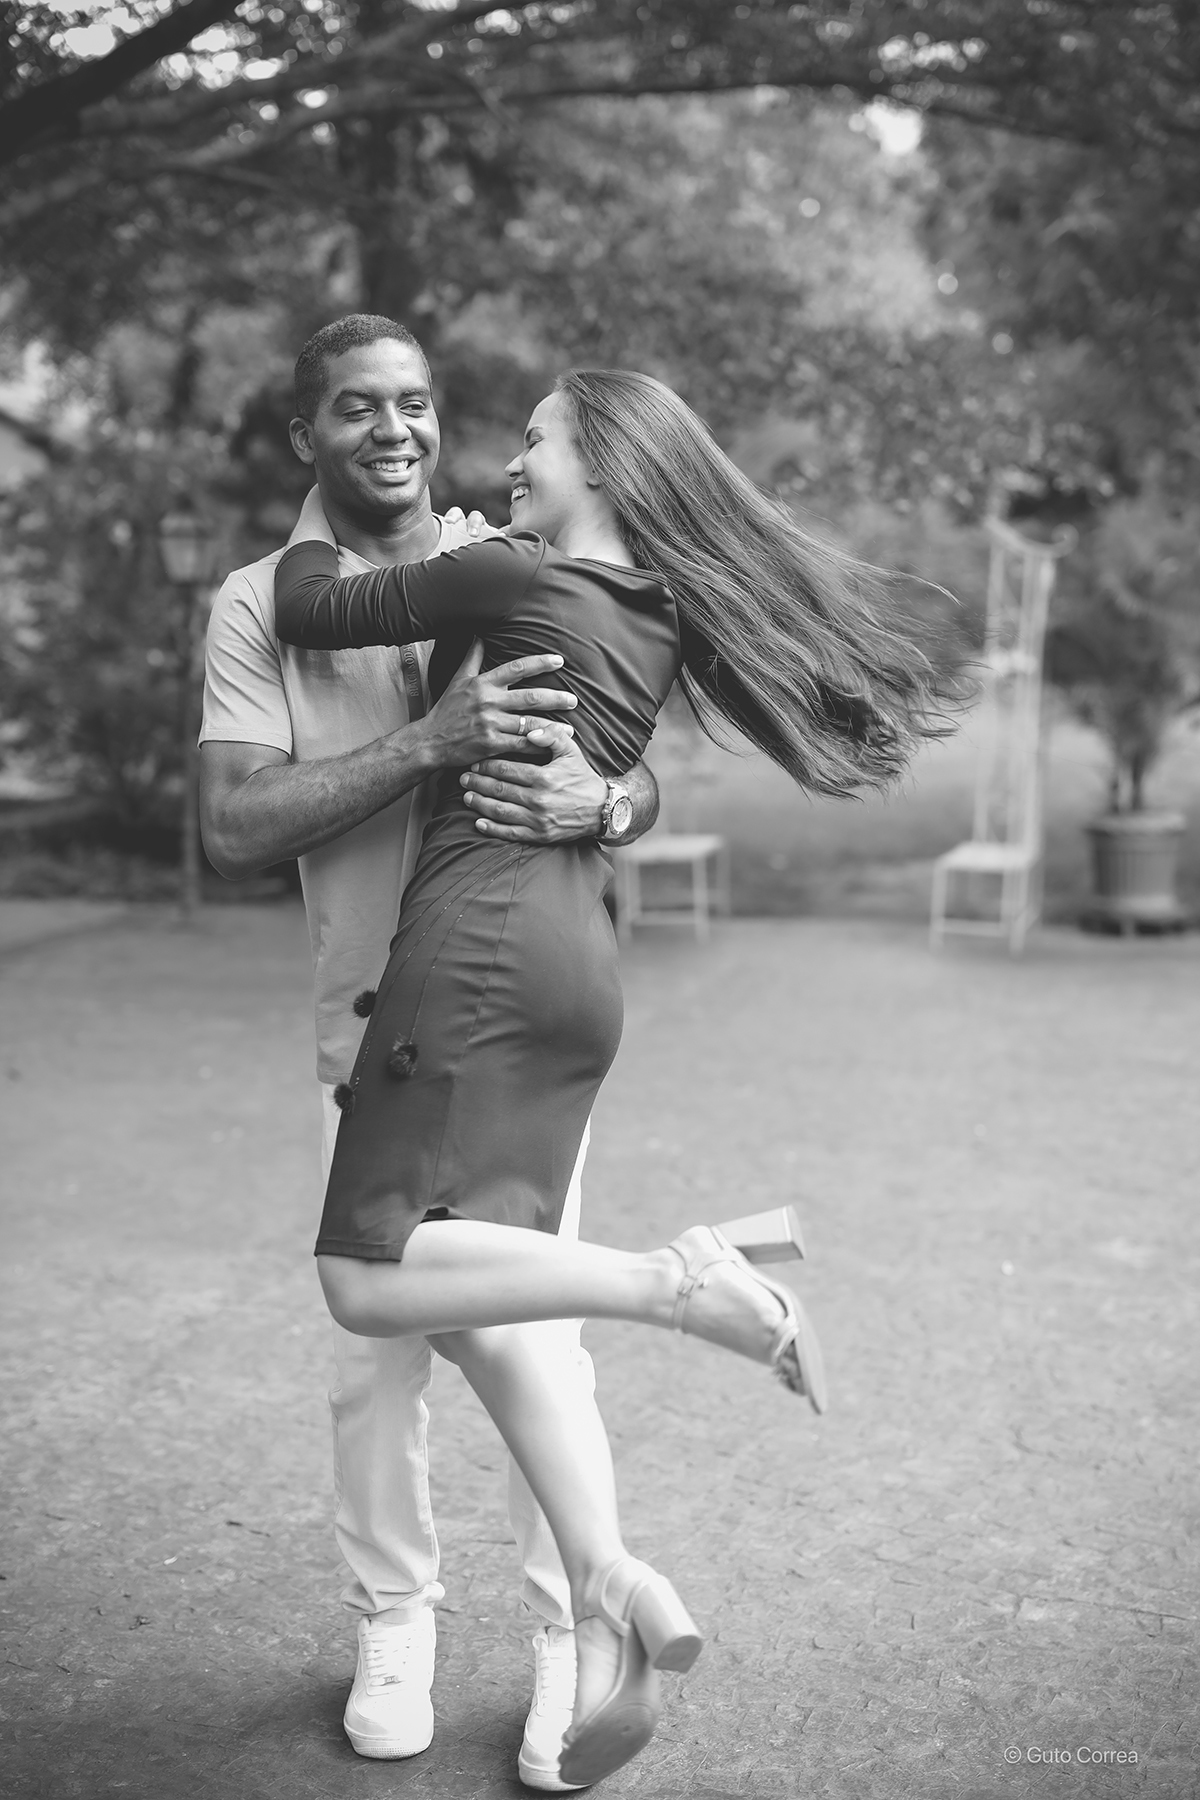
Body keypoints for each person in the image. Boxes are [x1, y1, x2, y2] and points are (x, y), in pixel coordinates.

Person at [272, 365, 956, 1787]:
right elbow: (617, 760)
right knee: (495, 1311)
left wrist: (346, 526)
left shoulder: (509, 573)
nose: (510, 463)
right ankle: (610, 1593)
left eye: (534, 440)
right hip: (572, 963)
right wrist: (613, 789)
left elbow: (313, 606)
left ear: (601, 457)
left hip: (475, 945)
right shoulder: (654, 605)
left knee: (364, 1276)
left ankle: (679, 1282)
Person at [198, 314, 661, 1791]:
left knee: (536, 1342)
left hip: (509, 1011)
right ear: (307, 436)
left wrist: (609, 806)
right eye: (357, 408)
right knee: (377, 1358)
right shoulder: (258, 604)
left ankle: (567, 1639)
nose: (394, 430)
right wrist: (426, 740)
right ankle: (396, 1620)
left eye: (414, 403)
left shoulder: (496, 555)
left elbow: (628, 756)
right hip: (366, 1022)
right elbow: (233, 825)